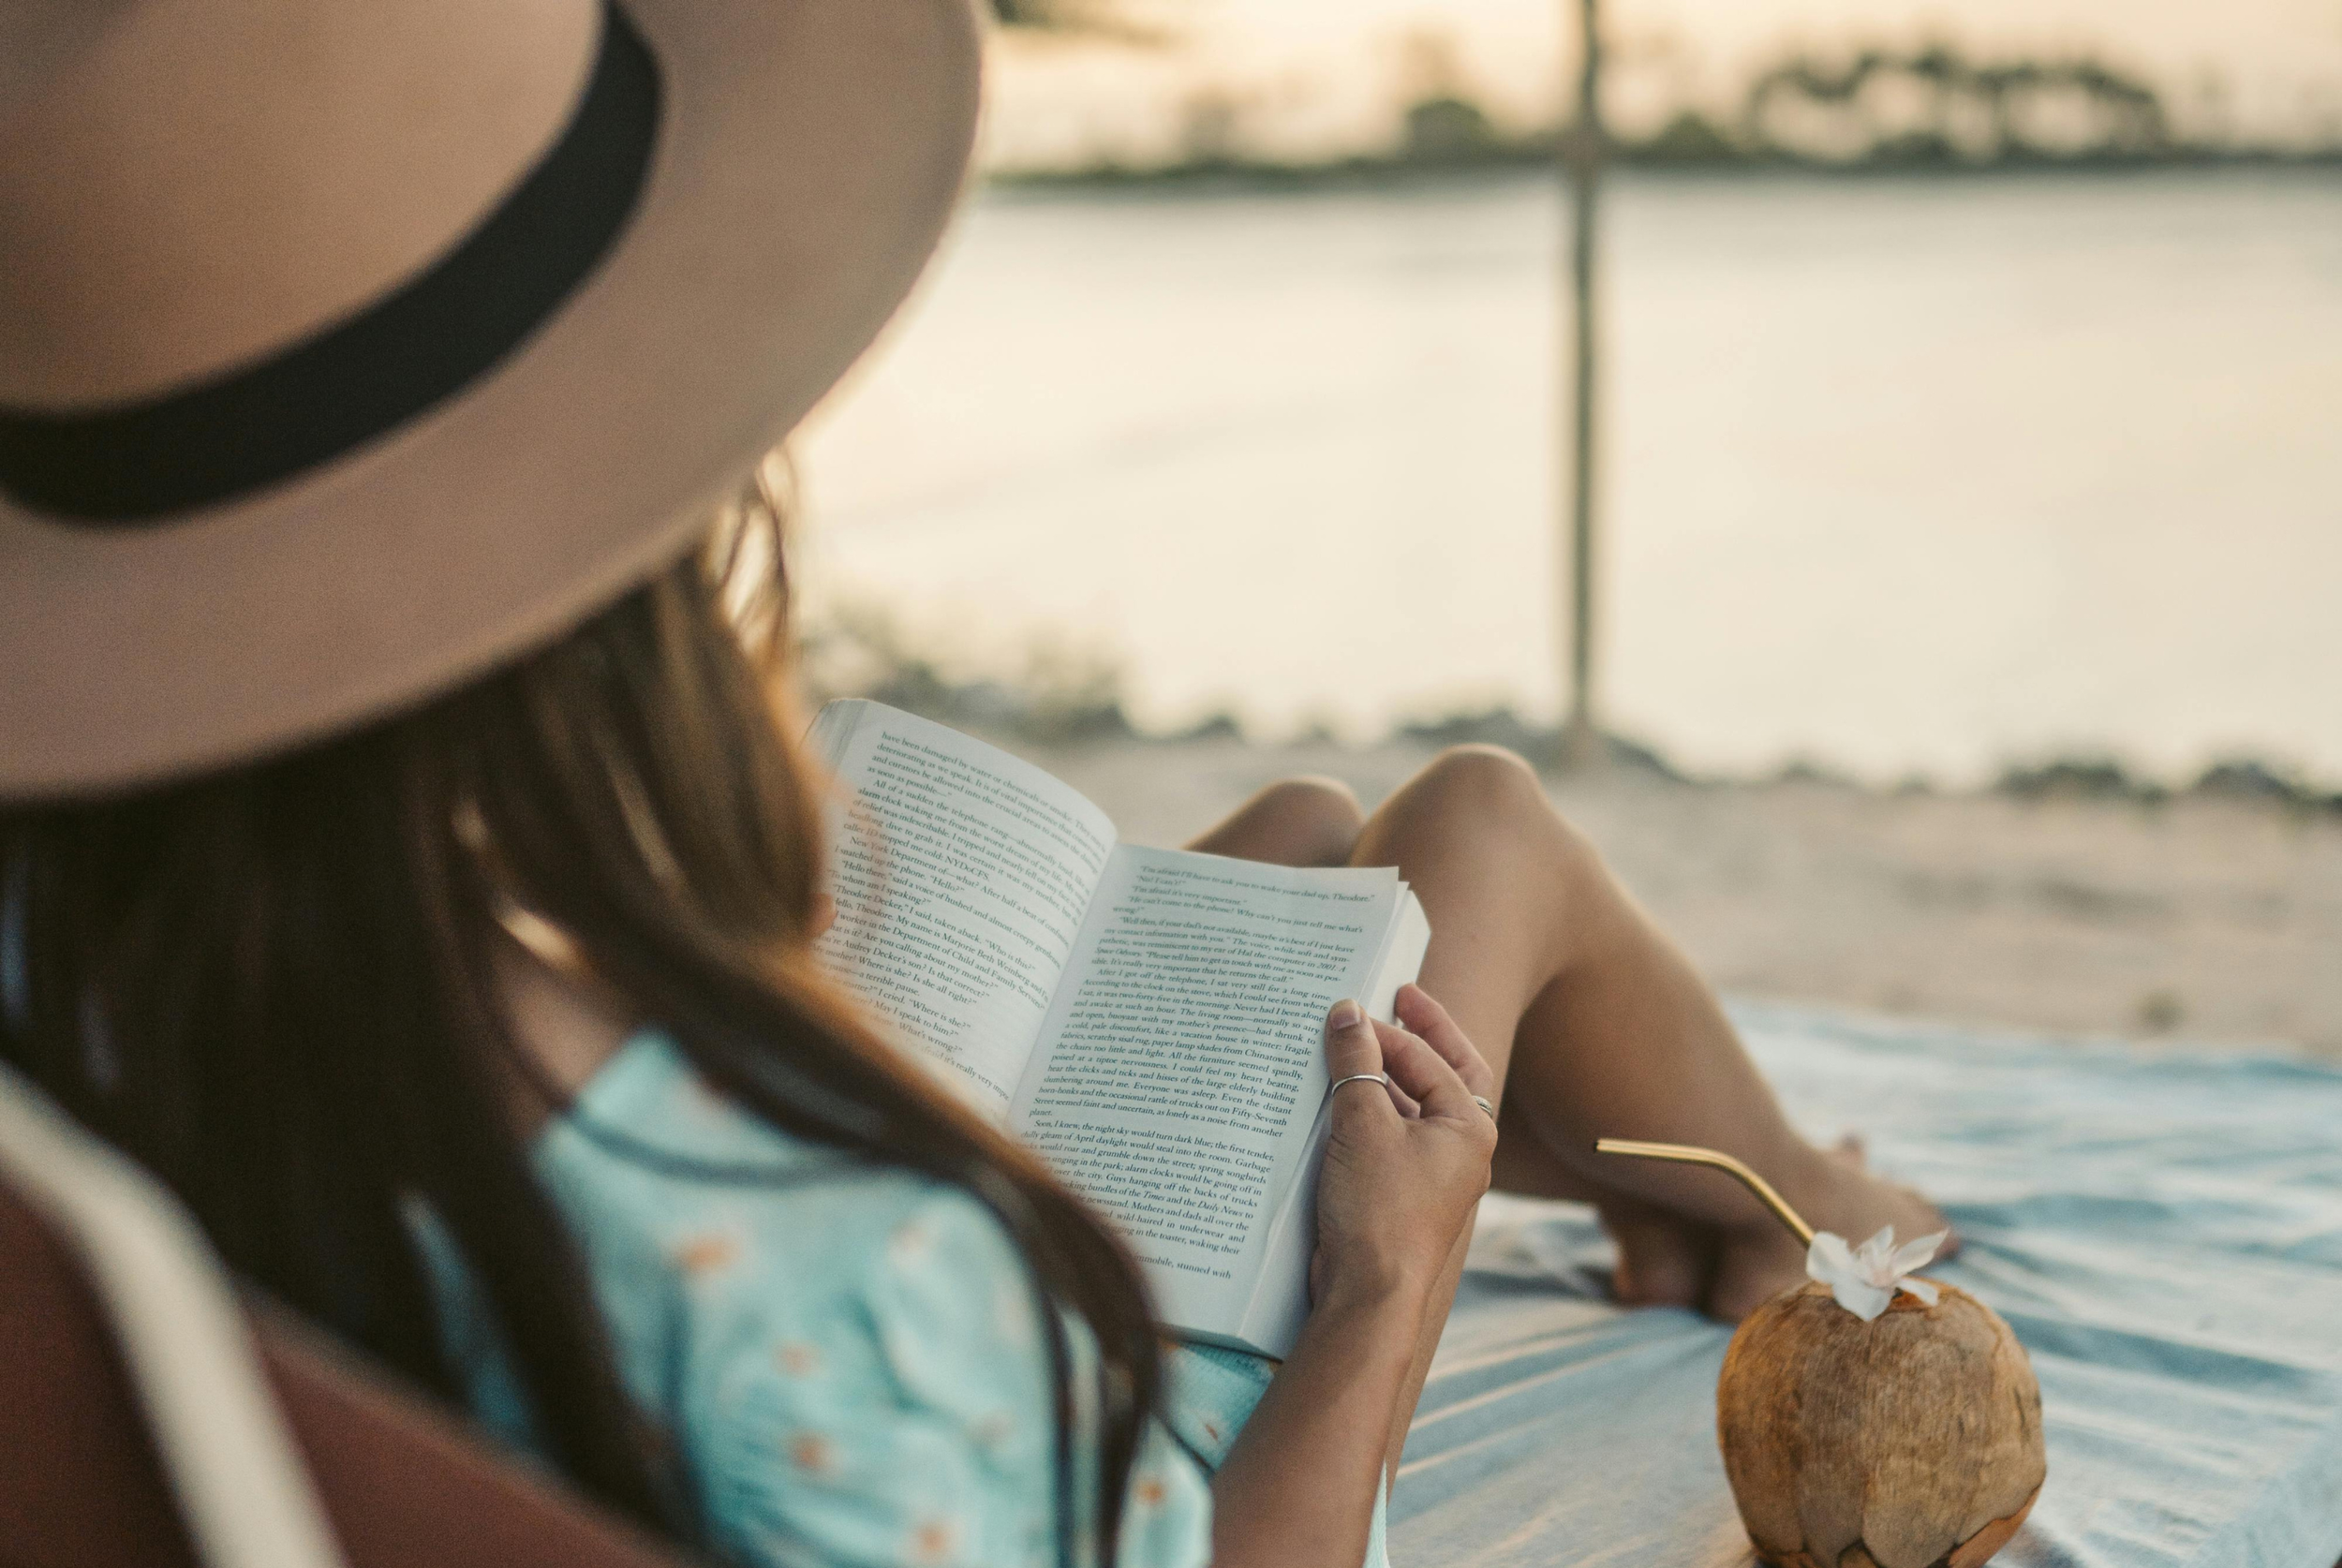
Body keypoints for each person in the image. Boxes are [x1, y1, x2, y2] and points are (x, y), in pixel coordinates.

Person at [0, 2, 1946, 1566]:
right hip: (1129, 1436)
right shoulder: (868, 1283)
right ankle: (1791, 1202)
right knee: (1469, 832)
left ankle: (1673, 1179)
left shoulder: (66, 1053)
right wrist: (1384, 1289)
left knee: (1275, 858)